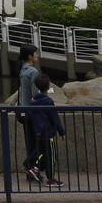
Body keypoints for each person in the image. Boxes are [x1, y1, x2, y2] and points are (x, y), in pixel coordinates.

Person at [29, 73, 65, 188]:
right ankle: (51, 179)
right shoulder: (48, 102)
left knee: (42, 153)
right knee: (51, 157)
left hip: (38, 132)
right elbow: (55, 118)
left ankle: (34, 168)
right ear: (48, 87)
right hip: (48, 133)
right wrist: (61, 131)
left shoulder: (33, 101)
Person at [17, 44, 42, 184]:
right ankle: (29, 166)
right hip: (32, 113)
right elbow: (35, 94)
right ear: (30, 57)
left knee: (30, 143)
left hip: (23, 111)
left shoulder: (22, 70)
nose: (37, 56)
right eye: (35, 54)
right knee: (38, 144)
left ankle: (31, 172)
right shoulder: (32, 72)